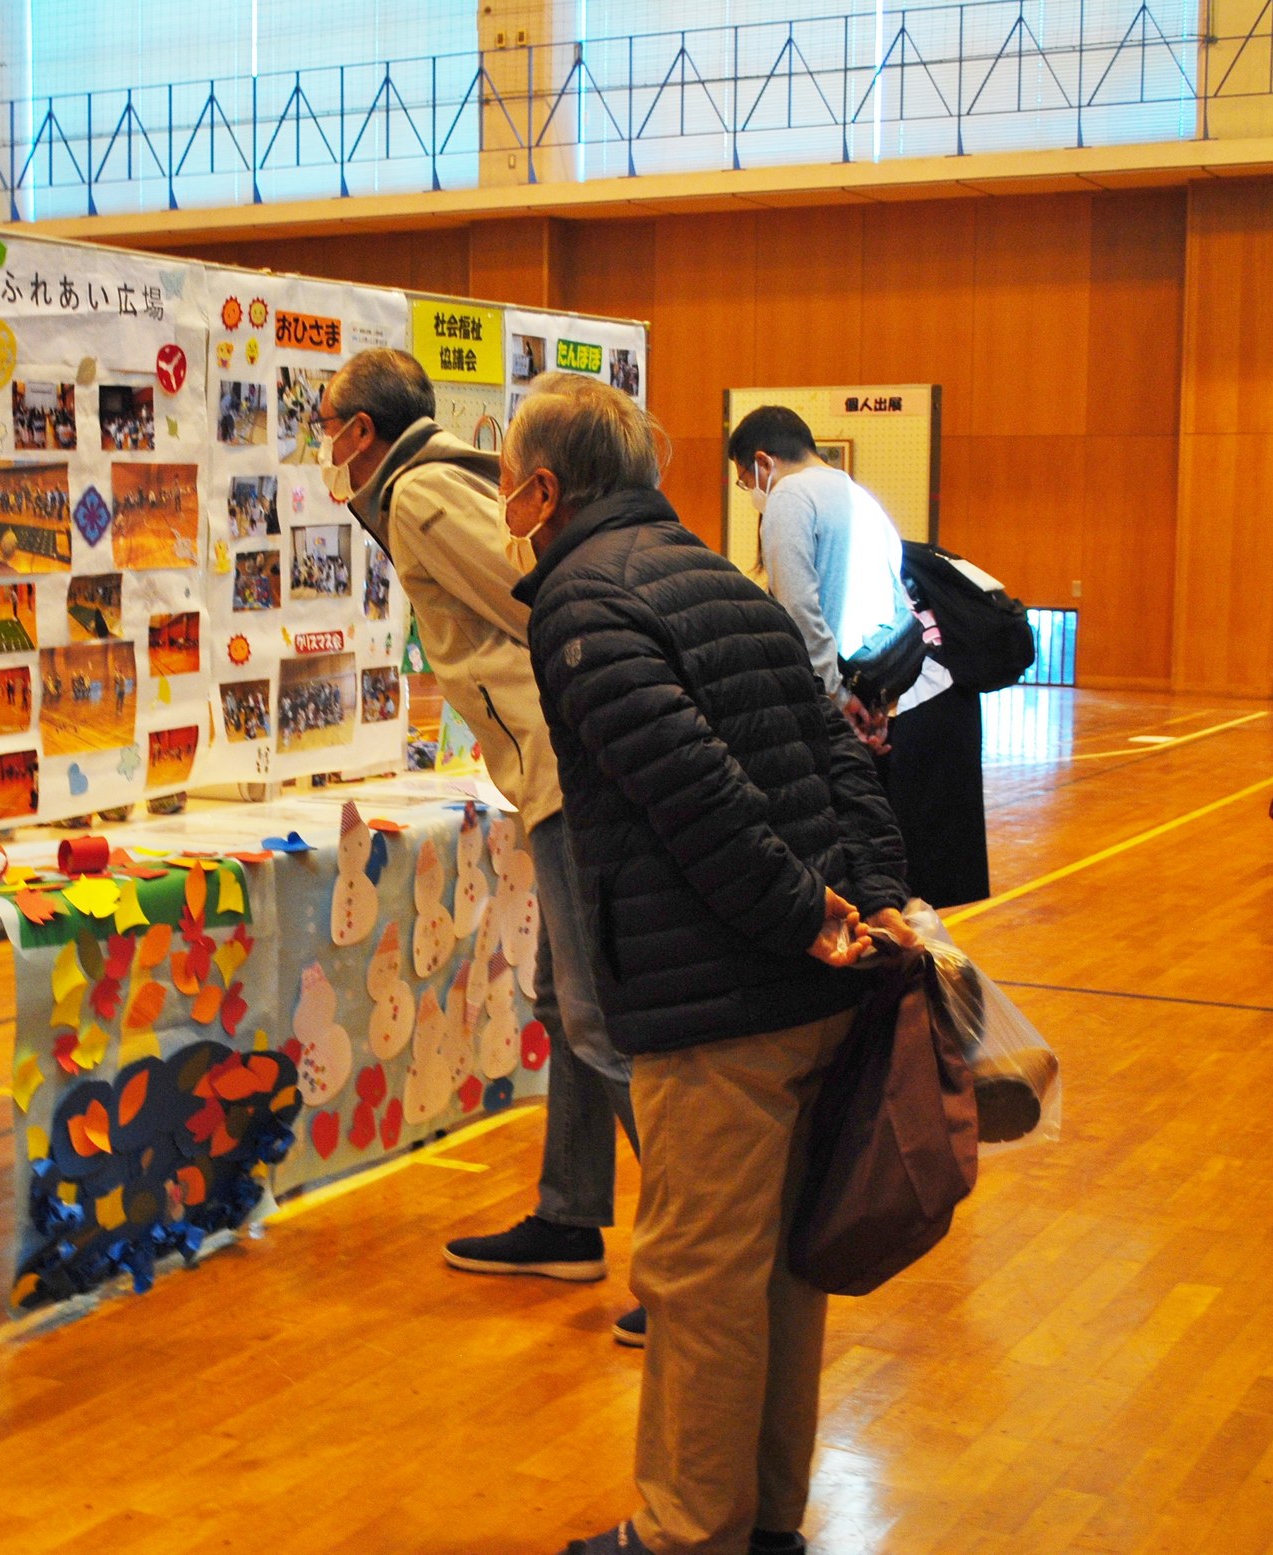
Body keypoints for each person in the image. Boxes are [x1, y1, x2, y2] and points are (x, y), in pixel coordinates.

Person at [509, 375, 915, 1555]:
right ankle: (761, 1521)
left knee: (698, 1280)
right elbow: (839, 757)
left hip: (716, 1000)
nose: (502, 503)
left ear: (545, 490)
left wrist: (798, 913)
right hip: (806, 986)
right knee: (781, 1273)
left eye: (507, 482)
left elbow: (690, 791)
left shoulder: (581, 601)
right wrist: (872, 900)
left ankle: (687, 1532)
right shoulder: (725, 583)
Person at [323, 347, 645, 1343]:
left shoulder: (419, 493)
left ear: (360, 432)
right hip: (554, 763)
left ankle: (704, 1252)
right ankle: (570, 1216)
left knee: (597, 1017)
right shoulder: (438, 476)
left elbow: (537, 596)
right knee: (565, 1002)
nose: (320, 447)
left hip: (564, 762)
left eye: (325, 426)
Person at [728, 405, 990, 907]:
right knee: (909, 879)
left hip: (855, 703)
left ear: (763, 462)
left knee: (871, 875)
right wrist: (875, 702)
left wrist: (835, 697)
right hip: (907, 696)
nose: (752, 493)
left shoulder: (789, 497)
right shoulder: (860, 496)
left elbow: (799, 611)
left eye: (746, 481)